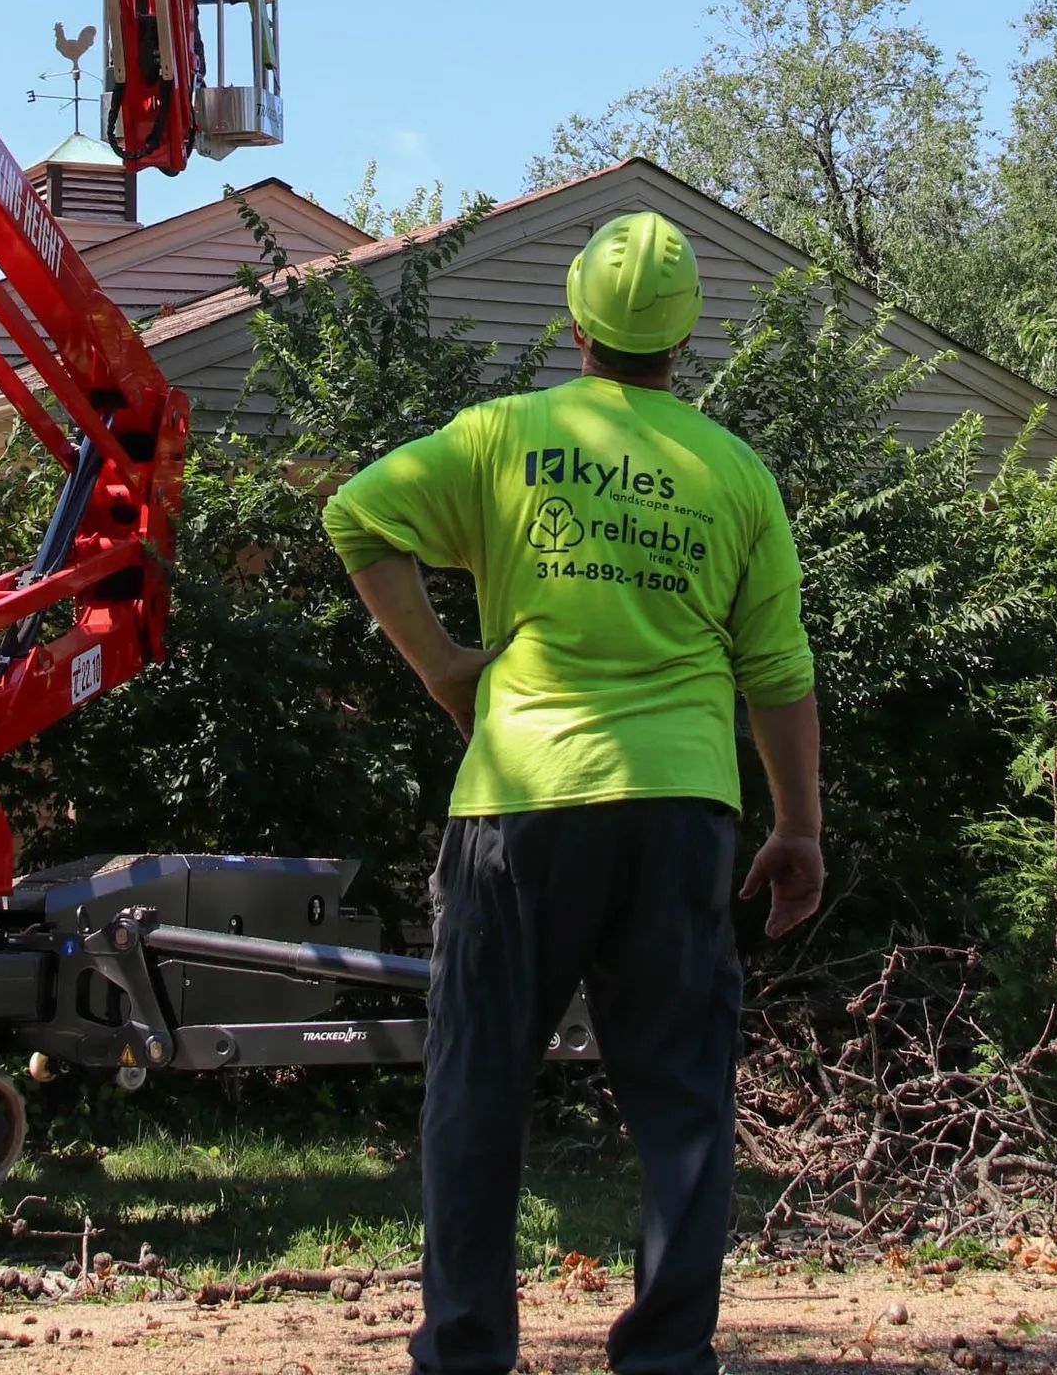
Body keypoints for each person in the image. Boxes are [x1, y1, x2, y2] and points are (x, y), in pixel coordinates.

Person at [322, 209, 823, 1375]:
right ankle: (663, 1357)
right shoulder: (736, 474)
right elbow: (780, 673)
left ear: (577, 323)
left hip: (520, 802)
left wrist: (448, 667)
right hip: (681, 811)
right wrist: (797, 826)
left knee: (477, 1087)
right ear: (685, 336)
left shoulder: (507, 435)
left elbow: (359, 515)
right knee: (682, 1098)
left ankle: (465, 1353)